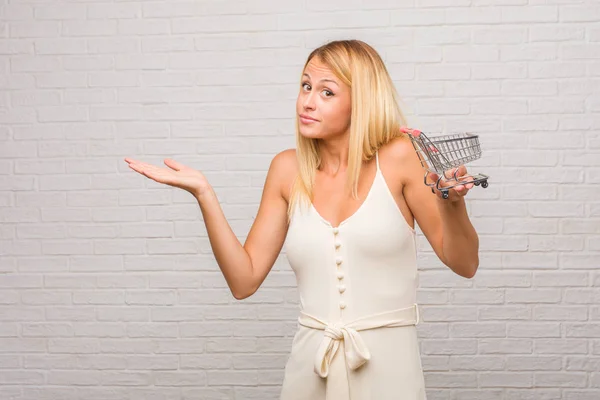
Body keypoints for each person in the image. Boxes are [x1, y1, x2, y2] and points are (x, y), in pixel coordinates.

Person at [124, 39, 479, 400]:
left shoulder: (401, 157)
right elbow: (243, 282)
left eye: (327, 92)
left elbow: (464, 264)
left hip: (390, 372)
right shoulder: (286, 169)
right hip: (309, 371)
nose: (308, 101)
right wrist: (204, 194)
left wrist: (453, 205)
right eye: (306, 86)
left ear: (362, 101)